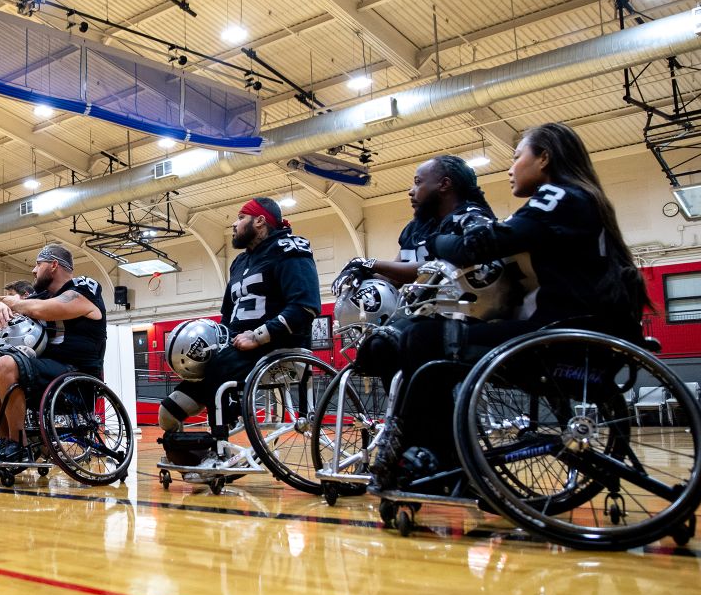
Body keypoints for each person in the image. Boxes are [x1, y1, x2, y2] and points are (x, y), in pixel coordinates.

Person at [368, 122, 650, 489]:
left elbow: (480, 244)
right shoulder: (578, 199)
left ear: (544, 158)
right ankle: (438, 455)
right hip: (573, 329)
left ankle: (432, 458)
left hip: (558, 335)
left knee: (423, 340)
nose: (510, 167)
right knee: (426, 338)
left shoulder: (559, 196)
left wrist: (437, 243)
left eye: (518, 157)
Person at [158, 197, 320, 438]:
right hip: (235, 349)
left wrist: (258, 336)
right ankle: (195, 455)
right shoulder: (240, 262)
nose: (234, 224)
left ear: (260, 221)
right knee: (168, 412)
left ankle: (219, 444)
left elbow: (305, 307)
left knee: (218, 367)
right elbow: (227, 314)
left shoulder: (289, 249)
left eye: (241, 217)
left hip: (275, 346)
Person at [0, 245, 105, 461]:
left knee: (6, 364)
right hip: (45, 371)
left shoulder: (85, 287)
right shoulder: (40, 296)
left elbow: (44, 309)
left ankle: (19, 445)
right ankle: (5, 444)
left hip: (77, 375)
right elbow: (17, 304)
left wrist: (15, 304)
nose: (33, 270)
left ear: (53, 265)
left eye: (37, 264)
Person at [332, 156, 495, 293]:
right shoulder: (416, 228)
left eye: (418, 182)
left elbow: (442, 268)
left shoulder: (471, 217)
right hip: (428, 312)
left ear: (444, 185)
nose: (411, 191)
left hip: (472, 313)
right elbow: (394, 277)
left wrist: (371, 263)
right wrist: (365, 274)